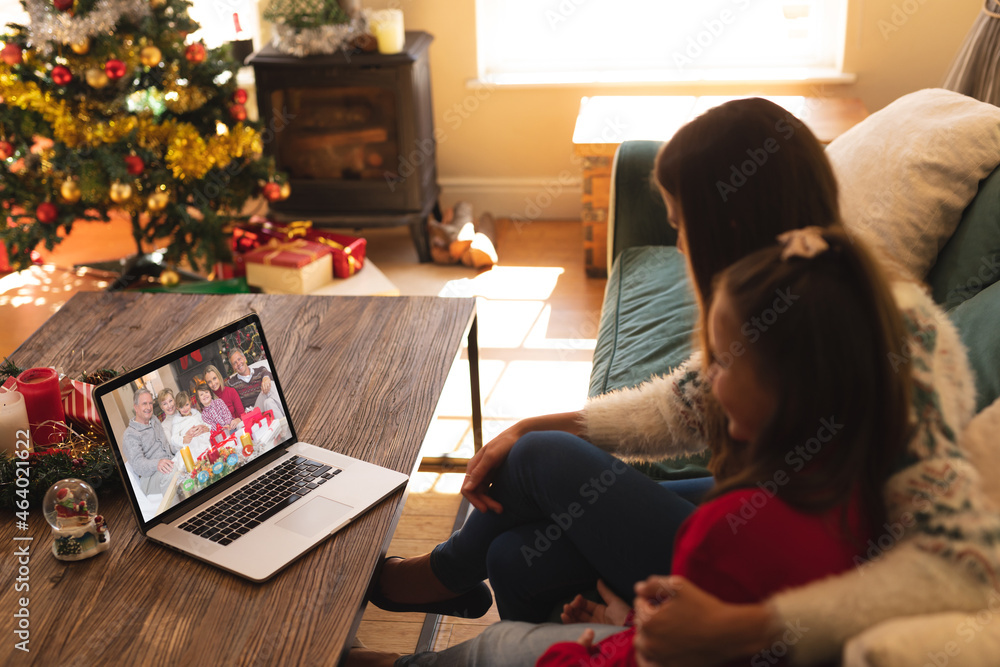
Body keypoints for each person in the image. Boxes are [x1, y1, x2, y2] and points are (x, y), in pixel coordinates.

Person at [361, 97, 1000, 666]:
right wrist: (531, 421)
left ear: (726, 226)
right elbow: (680, 409)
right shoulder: (792, 295)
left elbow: (942, 552)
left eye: (677, 222)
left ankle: (446, 575)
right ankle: (487, 588)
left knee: (538, 461)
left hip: (794, 574)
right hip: (765, 512)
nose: (676, 239)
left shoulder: (895, 338)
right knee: (516, 555)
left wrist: (743, 626)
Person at [534, 227, 908, 667]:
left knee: (493, 637)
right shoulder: (862, 497)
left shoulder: (724, 529)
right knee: (513, 548)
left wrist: (567, 654)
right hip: (628, 630)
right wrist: (631, 622)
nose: (708, 381)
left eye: (724, 363)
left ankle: (449, 575)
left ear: (783, 384)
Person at [122, 388, 178, 496]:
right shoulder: (130, 434)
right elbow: (138, 465)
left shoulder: (154, 420)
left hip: (169, 463)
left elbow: (166, 446)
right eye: (144, 404)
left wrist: (181, 445)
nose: (148, 407)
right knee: (172, 473)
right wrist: (157, 463)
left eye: (150, 403)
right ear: (136, 407)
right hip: (150, 478)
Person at [170, 390, 212, 459]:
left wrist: (207, 428)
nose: (185, 408)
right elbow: (173, 439)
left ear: (190, 402)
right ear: (177, 408)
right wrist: (184, 438)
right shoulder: (177, 421)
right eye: (181, 407)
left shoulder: (196, 413)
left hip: (204, 437)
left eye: (187, 405)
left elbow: (205, 423)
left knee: (210, 445)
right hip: (192, 444)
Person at [204, 364, 244, 430]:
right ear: (207, 384)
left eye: (214, 378)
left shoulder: (231, 392)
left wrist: (238, 419)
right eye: (209, 382)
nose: (213, 384)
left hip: (236, 427)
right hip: (221, 432)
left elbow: (242, 414)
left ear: (219, 377)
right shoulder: (208, 400)